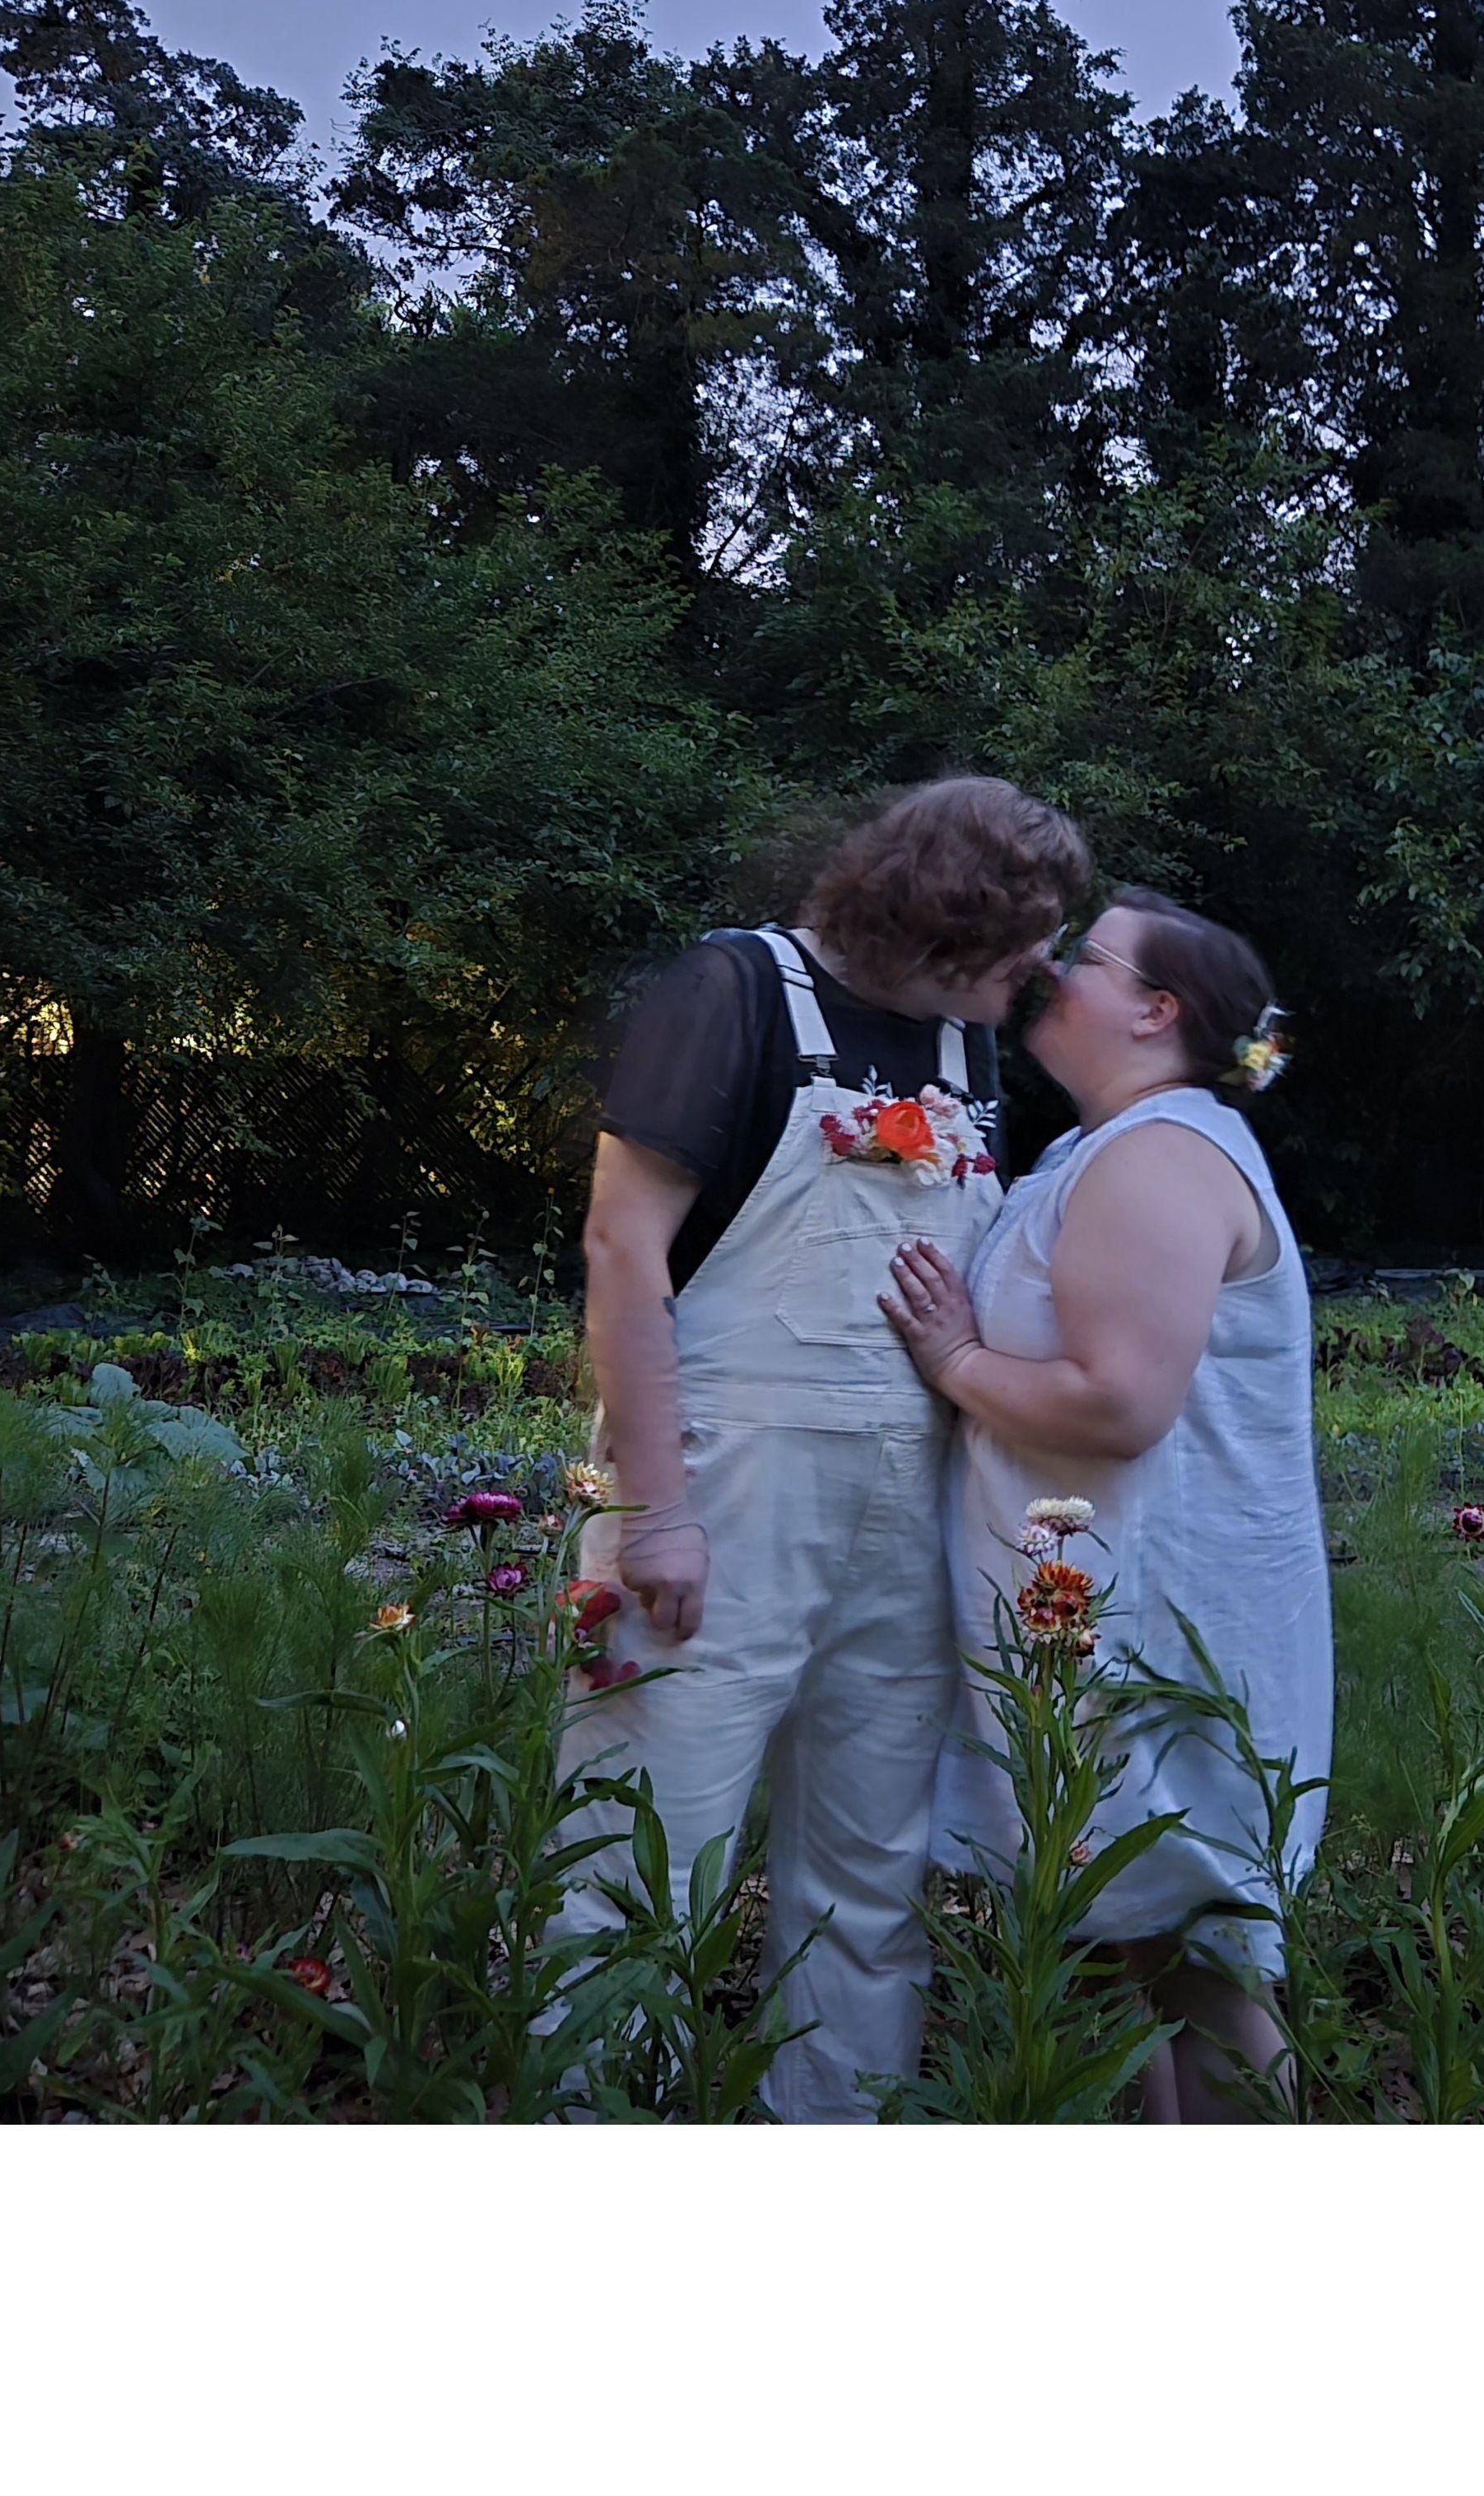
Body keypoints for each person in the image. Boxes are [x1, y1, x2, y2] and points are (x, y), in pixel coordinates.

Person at [565, 775, 1093, 2121]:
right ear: (947, 915)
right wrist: (655, 1512)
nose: (1045, 972)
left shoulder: (972, 1050)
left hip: (911, 1514)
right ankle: (592, 2125)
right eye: (1029, 936)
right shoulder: (734, 992)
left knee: (871, 1879)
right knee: (635, 1854)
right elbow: (623, 1254)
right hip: (718, 1497)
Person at [878, 887, 1328, 2121]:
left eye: (1088, 956)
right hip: (1112, 1619)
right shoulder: (1112, 1148)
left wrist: (957, 1363)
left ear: (1154, 1011)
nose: (1055, 968)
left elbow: (1121, 1403)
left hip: (1160, 1628)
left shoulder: (1163, 1156)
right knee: (1142, 1949)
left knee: (1193, 1957)